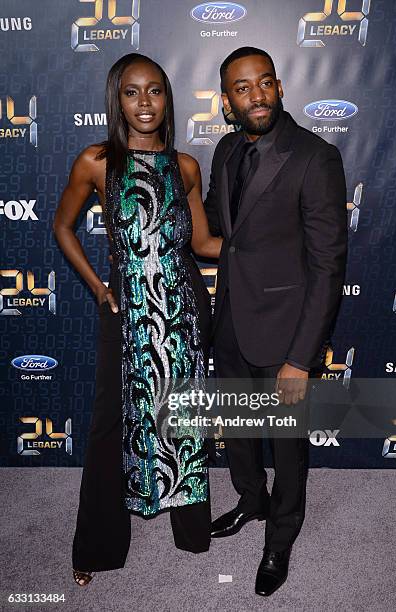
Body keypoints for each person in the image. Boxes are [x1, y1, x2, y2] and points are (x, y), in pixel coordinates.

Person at [53, 53, 222, 586]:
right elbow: (62, 227)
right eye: (132, 92)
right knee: (110, 424)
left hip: (183, 306)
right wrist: (101, 287)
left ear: (167, 98)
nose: (144, 102)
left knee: (183, 416)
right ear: (117, 98)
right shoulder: (97, 161)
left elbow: (201, 243)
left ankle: (192, 531)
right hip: (126, 309)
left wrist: (263, 244)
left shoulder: (186, 166)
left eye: (154, 90)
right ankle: (97, 546)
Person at [204, 47, 348, 597]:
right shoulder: (223, 150)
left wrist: (300, 358)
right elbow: (221, 225)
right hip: (233, 324)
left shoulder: (315, 157)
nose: (256, 95)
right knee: (240, 434)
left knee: (288, 446)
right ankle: (250, 500)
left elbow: (328, 264)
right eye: (243, 88)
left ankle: (281, 537)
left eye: (264, 83)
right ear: (227, 100)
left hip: (287, 332)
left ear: (280, 87)